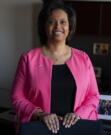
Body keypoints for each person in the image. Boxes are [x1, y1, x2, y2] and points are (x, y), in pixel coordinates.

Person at [10, 0, 100, 134]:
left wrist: (78, 114)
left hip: (77, 128)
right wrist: (40, 114)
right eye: (51, 22)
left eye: (63, 22)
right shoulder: (28, 59)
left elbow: (93, 96)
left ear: (70, 27)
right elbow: (17, 97)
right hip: (40, 128)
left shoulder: (83, 58)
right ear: (44, 26)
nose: (58, 26)